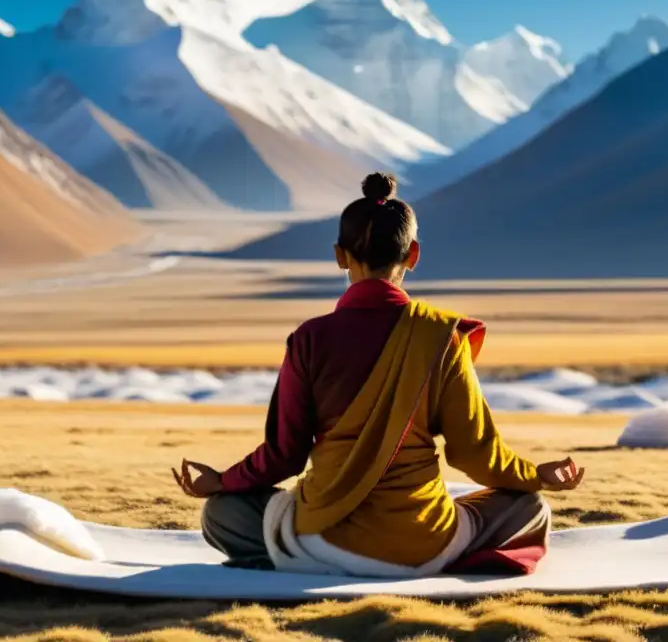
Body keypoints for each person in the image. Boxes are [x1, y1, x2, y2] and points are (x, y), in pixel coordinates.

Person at [172, 172, 585, 576]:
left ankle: (301, 563)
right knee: (528, 507)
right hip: (424, 542)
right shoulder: (440, 336)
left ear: (339, 255)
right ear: (414, 255)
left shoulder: (309, 339)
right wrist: (535, 475)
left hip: (318, 539)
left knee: (223, 513)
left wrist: (222, 481)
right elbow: (477, 453)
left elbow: (284, 454)